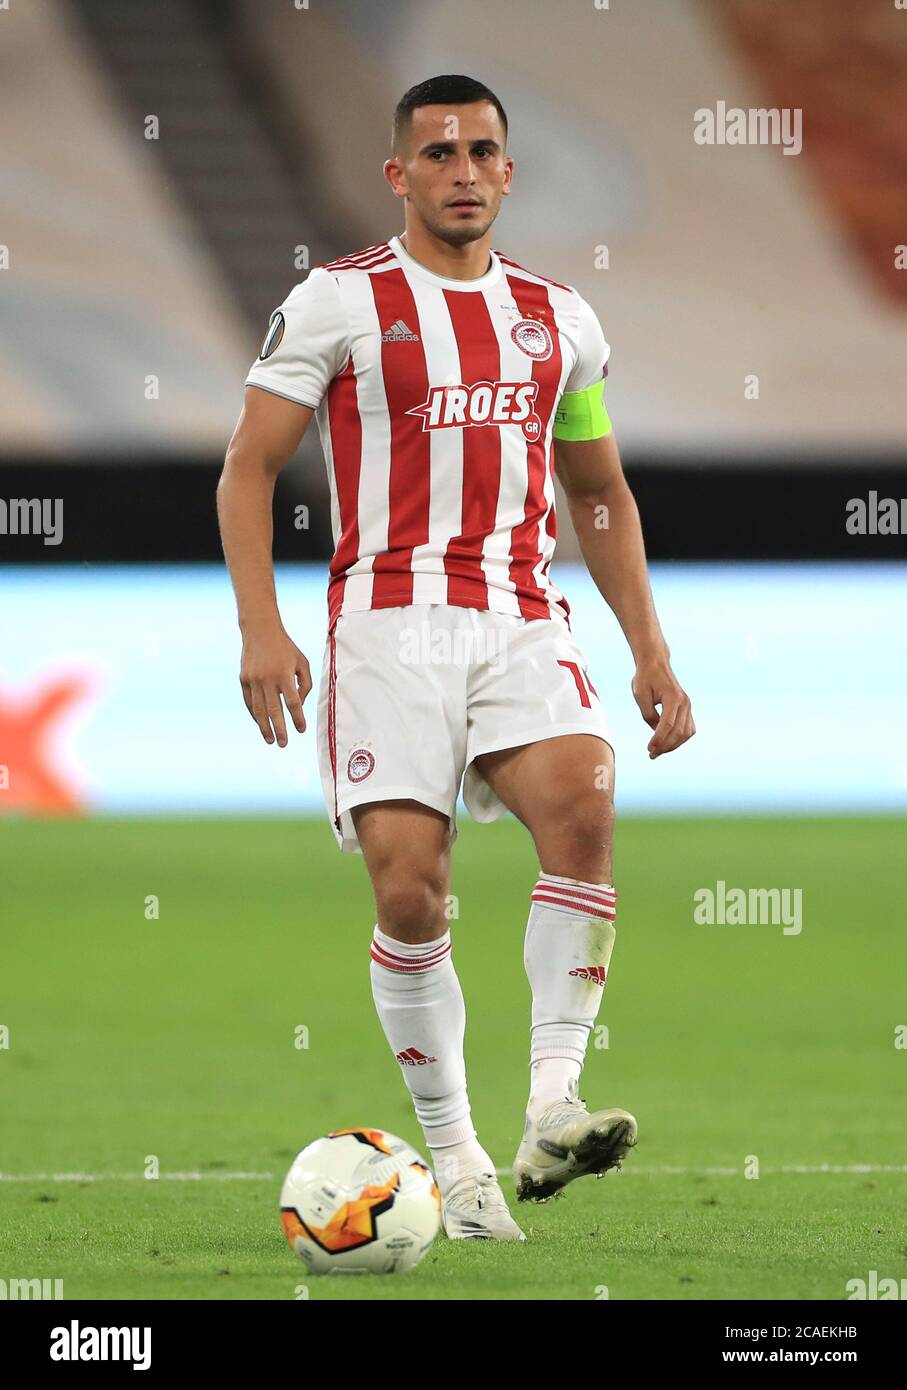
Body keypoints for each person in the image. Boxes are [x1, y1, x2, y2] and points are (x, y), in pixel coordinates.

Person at [217, 73, 695, 1242]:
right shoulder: (337, 301)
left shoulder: (559, 320)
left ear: (508, 171)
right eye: (438, 154)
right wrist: (260, 624)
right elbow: (247, 466)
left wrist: (650, 648)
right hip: (384, 621)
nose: (463, 171)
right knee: (408, 887)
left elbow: (599, 493)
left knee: (584, 798)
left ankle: (550, 1105)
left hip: (518, 611)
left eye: (482, 151)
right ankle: (462, 1166)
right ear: (399, 175)